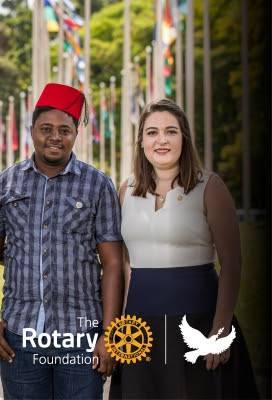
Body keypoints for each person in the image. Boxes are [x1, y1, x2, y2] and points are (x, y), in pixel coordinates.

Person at [0, 83, 124, 399]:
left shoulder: (98, 186)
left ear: (75, 134)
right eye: (46, 129)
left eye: (64, 130)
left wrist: (109, 334)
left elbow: (112, 263)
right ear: (32, 131)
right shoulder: (5, 184)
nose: (55, 137)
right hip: (20, 335)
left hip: (81, 336)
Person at [109, 98, 258, 399]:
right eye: (152, 132)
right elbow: (125, 264)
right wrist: (121, 326)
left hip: (199, 324)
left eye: (171, 131)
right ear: (141, 142)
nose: (161, 140)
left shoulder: (210, 187)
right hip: (140, 329)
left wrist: (220, 329)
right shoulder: (126, 189)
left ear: (184, 138)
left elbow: (232, 263)